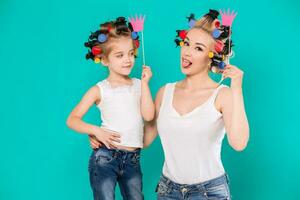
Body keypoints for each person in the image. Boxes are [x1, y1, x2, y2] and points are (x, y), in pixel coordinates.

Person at [67, 16, 155, 200]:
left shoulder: (139, 85)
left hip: (133, 159)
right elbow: (72, 119)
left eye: (131, 53)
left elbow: (148, 115)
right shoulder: (100, 89)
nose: (128, 60)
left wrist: (146, 84)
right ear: (105, 60)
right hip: (105, 157)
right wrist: (95, 131)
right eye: (119, 55)